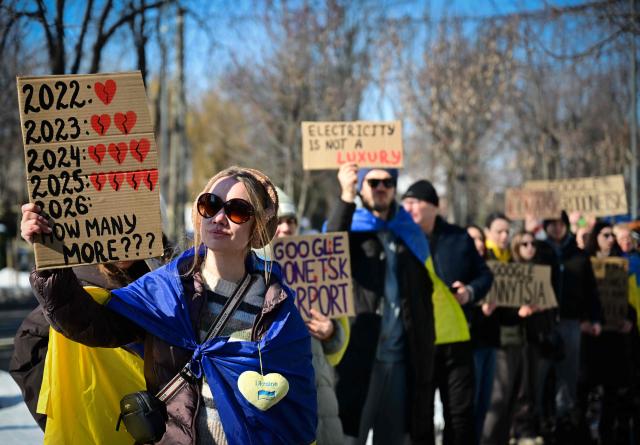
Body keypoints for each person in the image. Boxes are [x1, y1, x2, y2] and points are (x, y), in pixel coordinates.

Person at [21, 166, 317, 445]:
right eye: (210, 205)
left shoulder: (277, 306)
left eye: (237, 211)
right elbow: (89, 324)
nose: (219, 218)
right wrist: (50, 258)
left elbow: (297, 407)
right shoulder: (166, 289)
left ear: (257, 227)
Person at [325, 164, 434, 444]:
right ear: (362, 187)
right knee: (350, 437)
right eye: (373, 182)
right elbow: (328, 251)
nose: (381, 188)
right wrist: (346, 195)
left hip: (401, 359)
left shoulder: (409, 233)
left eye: (387, 182)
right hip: (360, 357)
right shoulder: (352, 230)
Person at [9, 260, 154, 441]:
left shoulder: (172, 271)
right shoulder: (79, 285)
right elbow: (28, 348)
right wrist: (63, 416)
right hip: (110, 422)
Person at [402, 180, 493, 445]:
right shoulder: (402, 239)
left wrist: (470, 292)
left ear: (434, 207)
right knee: (422, 417)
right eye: (406, 202)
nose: (409, 207)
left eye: (416, 201)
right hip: (419, 343)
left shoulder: (459, 237)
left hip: (456, 341)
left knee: (460, 415)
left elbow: (485, 275)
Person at [274, 187, 348, 445]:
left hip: (321, 393)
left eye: (290, 221)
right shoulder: (247, 271)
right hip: (280, 394)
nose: (284, 228)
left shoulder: (314, 265)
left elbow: (339, 340)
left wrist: (331, 331)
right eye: (277, 221)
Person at [535, 211, 602, 444]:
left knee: (567, 376)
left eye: (559, 223)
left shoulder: (579, 255)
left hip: (570, 322)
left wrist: (594, 318)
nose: (556, 228)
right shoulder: (538, 251)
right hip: (542, 322)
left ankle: (564, 423)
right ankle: (540, 423)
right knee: (539, 376)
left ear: (565, 225)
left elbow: (591, 291)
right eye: (550, 224)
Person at [582, 221, 635, 444]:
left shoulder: (622, 264)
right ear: (596, 237)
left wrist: (629, 320)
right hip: (592, 336)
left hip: (615, 335)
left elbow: (629, 299)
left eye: (613, 235)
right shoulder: (585, 263)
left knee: (614, 388)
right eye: (606, 235)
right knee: (588, 387)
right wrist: (584, 321)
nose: (611, 239)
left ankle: (608, 431)